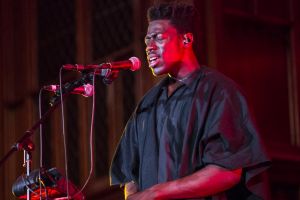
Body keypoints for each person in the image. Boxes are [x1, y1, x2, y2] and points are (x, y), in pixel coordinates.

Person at [110, 2, 270, 200]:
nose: (149, 47)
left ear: (186, 39)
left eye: (158, 38)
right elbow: (130, 176)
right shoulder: (147, 105)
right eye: (147, 40)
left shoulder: (220, 92)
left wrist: (156, 192)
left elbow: (228, 170)